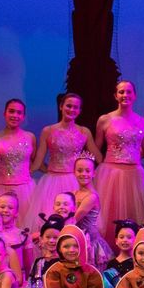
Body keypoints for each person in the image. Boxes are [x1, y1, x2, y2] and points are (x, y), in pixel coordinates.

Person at [27, 91, 97, 223]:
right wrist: (28, 171)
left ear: (80, 111)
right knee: (50, 217)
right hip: (52, 181)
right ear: (61, 106)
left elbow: (96, 156)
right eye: (68, 106)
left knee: (73, 218)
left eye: (75, 107)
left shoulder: (84, 131)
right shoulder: (48, 131)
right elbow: (38, 161)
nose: (72, 109)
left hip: (75, 181)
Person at [93, 80, 144, 239]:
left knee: (132, 211)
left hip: (134, 173)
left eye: (129, 92)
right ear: (115, 96)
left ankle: (132, 248)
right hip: (111, 173)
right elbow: (96, 147)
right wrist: (101, 165)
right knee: (109, 211)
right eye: (121, 92)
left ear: (135, 95)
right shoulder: (105, 119)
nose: (125, 95)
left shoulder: (142, 121)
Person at [0, 98, 36, 213]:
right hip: (1, 188)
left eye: (19, 113)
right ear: (5, 113)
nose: (15, 115)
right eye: (11, 111)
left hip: (25, 189)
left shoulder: (30, 137)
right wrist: (1, 168)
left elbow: (33, 160)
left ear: (23, 116)